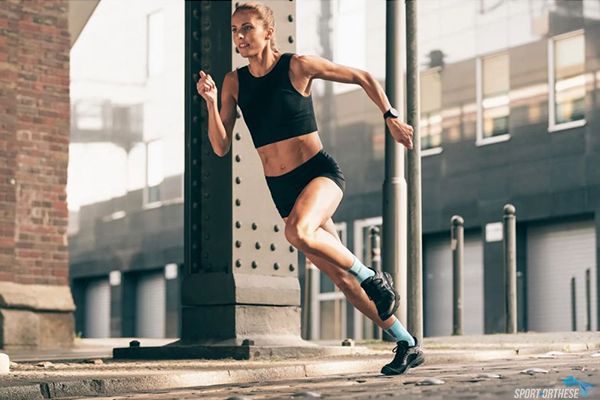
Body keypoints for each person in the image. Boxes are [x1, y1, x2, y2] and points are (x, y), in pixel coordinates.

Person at [196, 2, 424, 376]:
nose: (240, 37)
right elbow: (221, 146)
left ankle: (374, 278)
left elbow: (363, 76)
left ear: (268, 32)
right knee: (342, 280)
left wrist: (390, 116)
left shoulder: (297, 65)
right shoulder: (233, 83)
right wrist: (209, 101)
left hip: (319, 175)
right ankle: (407, 342)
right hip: (282, 190)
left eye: (248, 28)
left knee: (298, 231)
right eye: (236, 31)